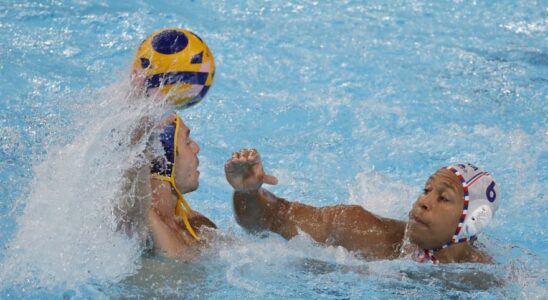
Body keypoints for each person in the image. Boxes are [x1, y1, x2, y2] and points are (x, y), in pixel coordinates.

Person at [224, 148, 500, 264]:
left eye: (443, 198)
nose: (423, 202)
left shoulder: (483, 276)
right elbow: (269, 220)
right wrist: (248, 193)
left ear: (472, 220)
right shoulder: (362, 229)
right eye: (426, 190)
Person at [115, 113, 216, 262]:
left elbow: (254, 241)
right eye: (187, 142)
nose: (196, 148)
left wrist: (248, 193)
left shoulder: (196, 225)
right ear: (164, 162)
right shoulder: (139, 225)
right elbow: (132, 196)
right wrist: (142, 141)